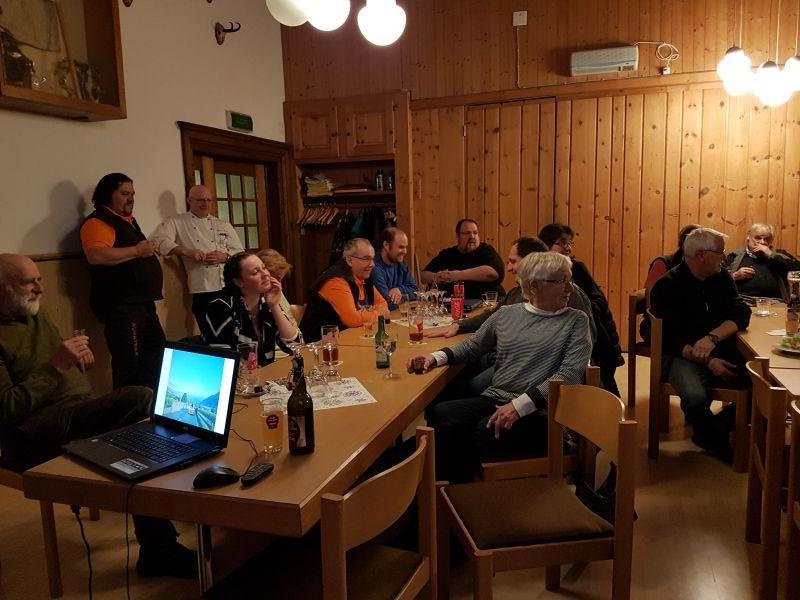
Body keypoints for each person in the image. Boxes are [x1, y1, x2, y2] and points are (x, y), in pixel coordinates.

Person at [0, 254, 196, 579]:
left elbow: (52, 358)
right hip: (31, 434)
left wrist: (73, 355)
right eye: (30, 282)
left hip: (75, 411)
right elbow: (6, 409)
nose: (40, 288)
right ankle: (160, 544)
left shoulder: (33, 312)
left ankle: (161, 539)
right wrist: (57, 366)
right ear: (3, 290)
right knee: (139, 398)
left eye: (40, 279)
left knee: (138, 439)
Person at [408, 252, 592, 483]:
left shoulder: (576, 320)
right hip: (498, 398)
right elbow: (473, 346)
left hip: (543, 413)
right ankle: (445, 487)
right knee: (442, 412)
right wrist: (434, 357)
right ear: (534, 286)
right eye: (562, 281)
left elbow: (570, 374)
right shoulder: (507, 314)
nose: (570, 287)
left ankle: (429, 485)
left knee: (473, 432)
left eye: (569, 279)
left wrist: (519, 406)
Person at [650, 228, 751, 462]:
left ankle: (708, 432)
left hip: (720, 349)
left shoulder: (721, 277)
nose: (724, 257)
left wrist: (712, 338)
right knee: (695, 398)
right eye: (720, 252)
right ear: (702, 254)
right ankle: (717, 440)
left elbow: (741, 312)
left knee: (764, 385)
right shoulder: (667, 285)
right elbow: (666, 337)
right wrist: (707, 359)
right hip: (682, 356)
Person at [79, 173, 165, 390]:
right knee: (129, 365)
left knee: (156, 356)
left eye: (133, 194)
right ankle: (128, 409)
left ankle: (149, 403)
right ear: (108, 195)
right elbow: (96, 255)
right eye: (125, 194)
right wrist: (137, 250)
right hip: (123, 307)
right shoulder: (98, 221)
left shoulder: (128, 221)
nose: (131, 198)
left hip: (143, 304)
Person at [539, 223, 624, 396]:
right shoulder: (541, 273)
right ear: (546, 246)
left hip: (598, 338)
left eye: (569, 243)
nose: (568, 248)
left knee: (604, 388)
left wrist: (577, 311)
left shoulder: (576, 268)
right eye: (562, 243)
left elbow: (599, 301)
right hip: (568, 334)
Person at [150, 185, 243, 338]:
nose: (205, 204)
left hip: (229, 287)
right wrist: (187, 251)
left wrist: (225, 256)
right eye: (200, 200)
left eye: (208, 200)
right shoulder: (177, 221)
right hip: (203, 289)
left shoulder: (223, 224)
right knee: (210, 334)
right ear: (189, 201)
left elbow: (240, 252)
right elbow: (159, 241)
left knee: (234, 332)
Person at [203, 252, 300, 366]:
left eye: (264, 268)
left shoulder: (265, 303)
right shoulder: (221, 307)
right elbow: (223, 361)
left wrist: (274, 306)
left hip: (263, 374)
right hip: (237, 376)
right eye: (255, 272)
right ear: (239, 282)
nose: (265, 274)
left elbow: (295, 346)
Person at [299, 238, 389, 342]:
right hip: (319, 346)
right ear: (350, 261)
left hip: (348, 340)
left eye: (373, 259)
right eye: (366, 259)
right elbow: (352, 319)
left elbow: (383, 305)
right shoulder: (336, 280)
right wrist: (376, 313)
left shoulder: (363, 277)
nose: (372, 264)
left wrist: (365, 313)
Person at [421, 219, 505, 300]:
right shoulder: (447, 254)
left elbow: (492, 273)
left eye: (475, 233)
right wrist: (437, 277)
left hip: (486, 303)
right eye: (467, 233)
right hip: (454, 303)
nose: (472, 236)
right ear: (458, 236)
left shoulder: (486, 250)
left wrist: (455, 275)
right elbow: (423, 276)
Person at [724, 222, 800, 301]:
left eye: (766, 239)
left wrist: (770, 254)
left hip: (774, 302)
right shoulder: (734, 256)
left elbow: (797, 270)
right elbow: (719, 279)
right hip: (742, 302)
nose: (762, 242)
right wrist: (735, 275)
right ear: (748, 238)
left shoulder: (780, 256)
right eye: (757, 238)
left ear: (771, 241)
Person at [371, 227, 417, 309]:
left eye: (405, 247)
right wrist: (407, 297)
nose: (405, 251)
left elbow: (416, 291)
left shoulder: (402, 264)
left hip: (399, 313)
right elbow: (388, 302)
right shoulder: (374, 267)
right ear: (386, 245)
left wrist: (399, 290)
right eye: (401, 247)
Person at [256, 248, 298, 328]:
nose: (279, 284)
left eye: (281, 279)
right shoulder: (257, 300)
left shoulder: (276, 289)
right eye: (276, 279)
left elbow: (292, 322)